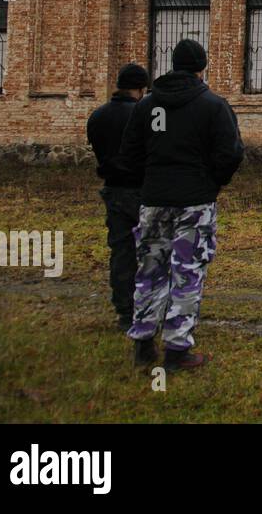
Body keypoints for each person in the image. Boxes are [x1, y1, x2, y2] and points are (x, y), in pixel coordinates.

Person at [118, 39, 244, 372]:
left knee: (149, 271)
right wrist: (212, 183)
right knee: (187, 272)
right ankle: (177, 350)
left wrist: (151, 180)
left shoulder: (146, 106)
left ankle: (143, 343)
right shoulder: (213, 106)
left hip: (154, 202)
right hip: (195, 202)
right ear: (202, 67)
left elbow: (128, 155)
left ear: (172, 65)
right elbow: (230, 153)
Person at [86, 63, 150, 329]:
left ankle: (125, 311)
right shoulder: (144, 115)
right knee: (151, 252)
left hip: (113, 191)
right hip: (143, 192)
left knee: (121, 252)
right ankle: (148, 308)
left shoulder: (98, 116)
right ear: (141, 88)